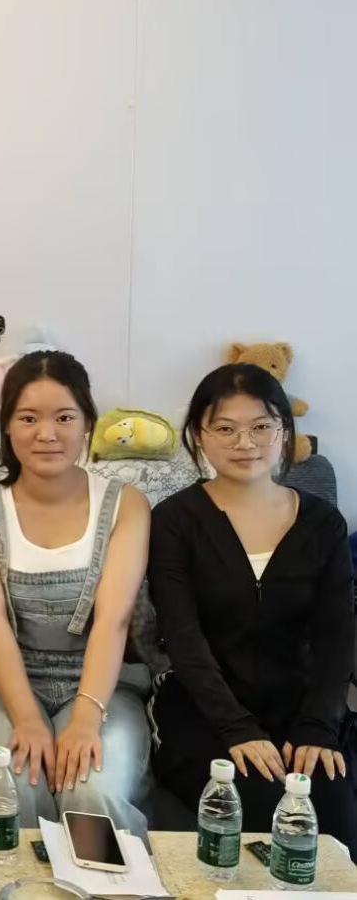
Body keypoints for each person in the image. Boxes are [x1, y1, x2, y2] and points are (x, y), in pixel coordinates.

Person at [149, 363, 356, 852]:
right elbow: (183, 636)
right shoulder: (175, 520)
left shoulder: (322, 522)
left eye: (261, 426)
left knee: (334, 822)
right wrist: (236, 728)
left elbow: (336, 634)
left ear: (284, 431)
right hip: (205, 711)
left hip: (300, 709)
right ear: (199, 435)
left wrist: (318, 725)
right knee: (259, 812)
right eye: (225, 428)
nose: (245, 443)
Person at [0, 351, 153, 837]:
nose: (47, 434)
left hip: (104, 684)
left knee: (92, 793)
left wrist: (85, 717)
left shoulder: (125, 503)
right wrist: (26, 717)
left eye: (64, 417)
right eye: (28, 418)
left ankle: (103, 879)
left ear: (88, 423)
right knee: (13, 789)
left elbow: (114, 620)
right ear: (6, 426)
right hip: (4, 680)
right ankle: (9, 880)